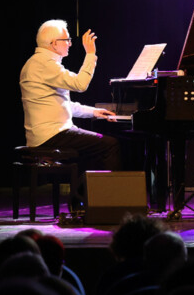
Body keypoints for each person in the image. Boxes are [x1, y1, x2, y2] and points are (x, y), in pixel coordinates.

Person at [20, 19, 121, 206]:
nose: (70, 44)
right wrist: (90, 54)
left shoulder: (42, 63)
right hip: (52, 135)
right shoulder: (44, 64)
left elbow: (64, 104)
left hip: (50, 133)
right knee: (109, 145)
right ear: (54, 44)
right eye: (66, 40)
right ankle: (106, 203)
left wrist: (94, 112)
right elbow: (80, 84)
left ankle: (82, 201)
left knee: (96, 148)